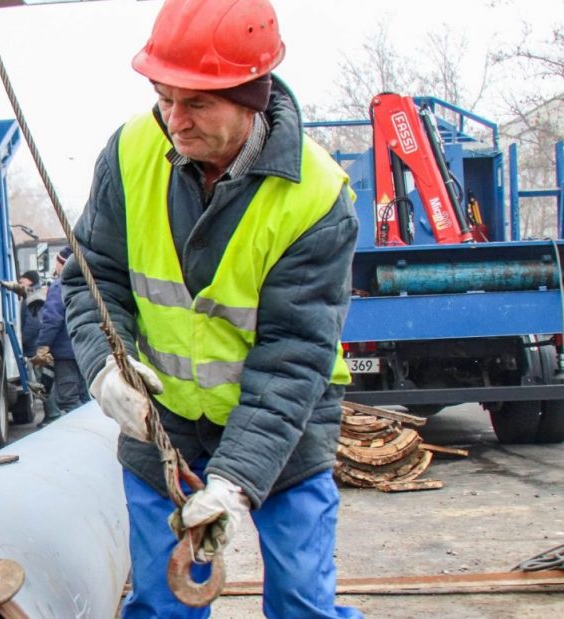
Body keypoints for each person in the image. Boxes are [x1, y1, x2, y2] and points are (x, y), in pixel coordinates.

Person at [61, 1, 361, 617]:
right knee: (161, 603)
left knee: (302, 601)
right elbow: (94, 279)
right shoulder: (131, 152)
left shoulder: (315, 197)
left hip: (284, 422)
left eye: (196, 103)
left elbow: (293, 355)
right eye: (164, 97)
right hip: (165, 419)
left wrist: (236, 480)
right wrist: (105, 365)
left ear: (252, 100)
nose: (175, 120)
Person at [34, 246, 90, 426]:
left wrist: (43, 345)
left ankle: (86, 432)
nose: (55, 267)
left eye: (57, 263)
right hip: (84, 348)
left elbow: (52, 318)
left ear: (63, 264)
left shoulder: (60, 285)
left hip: (66, 352)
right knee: (84, 395)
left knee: (68, 398)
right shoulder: (87, 282)